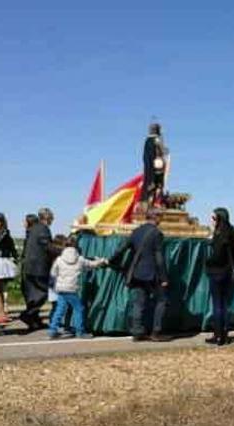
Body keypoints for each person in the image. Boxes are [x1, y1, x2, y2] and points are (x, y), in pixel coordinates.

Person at [109, 208, 170, 342]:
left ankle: (137, 331)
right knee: (162, 300)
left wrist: (111, 260)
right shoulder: (157, 233)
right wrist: (164, 278)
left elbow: (122, 248)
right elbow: (159, 257)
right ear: (157, 218)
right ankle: (156, 332)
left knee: (139, 303)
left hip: (136, 273)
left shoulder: (136, 231)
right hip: (151, 273)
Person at [49, 238, 107, 339]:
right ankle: (80, 331)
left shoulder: (59, 259)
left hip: (61, 288)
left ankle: (52, 331)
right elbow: (92, 264)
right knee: (79, 308)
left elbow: (53, 273)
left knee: (60, 309)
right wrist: (101, 260)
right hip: (71, 288)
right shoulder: (80, 259)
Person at [205, 207, 234, 346]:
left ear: (219, 218)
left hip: (217, 271)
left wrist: (207, 262)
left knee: (217, 305)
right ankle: (224, 334)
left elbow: (217, 256)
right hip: (229, 272)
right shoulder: (232, 231)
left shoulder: (220, 234)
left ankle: (218, 335)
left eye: (213, 218)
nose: (212, 221)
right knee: (225, 304)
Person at [20, 208, 57, 331]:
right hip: (38, 267)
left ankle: (34, 320)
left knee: (33, 294)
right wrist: (64, 250)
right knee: (42, 293)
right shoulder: (43, 229)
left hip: (29, 266)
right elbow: (47, 247)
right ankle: (28, 314)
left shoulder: (34, 228)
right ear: (47, 218)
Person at [142, 122, 168, 207]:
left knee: (150, 185)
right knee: (159, 185)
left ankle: (149, 203)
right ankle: (156, 202)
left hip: (149, 167)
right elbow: (163, 151)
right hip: (158, 164)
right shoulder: (157, 139)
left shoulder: (147, 140)